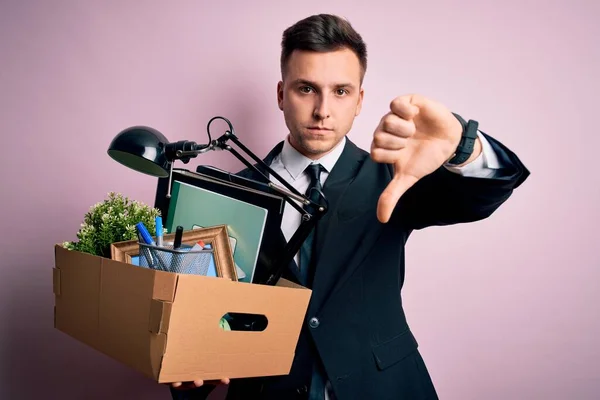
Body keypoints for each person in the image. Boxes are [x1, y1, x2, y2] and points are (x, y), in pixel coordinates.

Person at [169, 13, 529, 400]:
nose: (323, 110)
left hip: (384, 388)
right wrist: (188, 371)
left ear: (359, 101)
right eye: (306, 89)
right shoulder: (231, 192)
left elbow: (486, 193)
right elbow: (203, 319)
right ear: (280, 94)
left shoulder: (395, 173)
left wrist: (462, 144)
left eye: (340, 91)